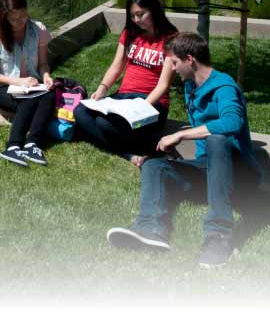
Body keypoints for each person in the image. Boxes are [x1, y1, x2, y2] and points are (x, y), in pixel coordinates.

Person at [107, 32, 261, 268]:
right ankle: (149, 228)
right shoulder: (191, 86)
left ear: (190, 59)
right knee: (153, 164)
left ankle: (218, 236)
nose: (173, 69)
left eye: (175, 63)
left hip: (238, 174)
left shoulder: (224, 87)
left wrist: (181, 134)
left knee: (217, 140)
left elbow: (232, 123)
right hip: (207, 170)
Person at [73, 0, 178, 164]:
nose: (136, 20)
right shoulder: (130, 33)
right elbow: (116, 66)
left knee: (105, 125)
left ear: (153, 9)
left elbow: (163, 85)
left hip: (152, 103)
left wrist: (141, 108)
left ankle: (114, 143)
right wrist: (102, 89)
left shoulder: (171, 39)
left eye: (141, 14)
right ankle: (129, 153)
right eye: (132, 16)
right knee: (80, 111)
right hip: (124, 98)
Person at [0, 0, 55, 167]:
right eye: (14, 19)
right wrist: (20, 82)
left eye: (23, 16)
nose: (20, 22)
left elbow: (43, 64)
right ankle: (13, 146)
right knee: (29, 102)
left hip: (32, 85)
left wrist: (46, 76)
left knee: (50, 95)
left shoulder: (38, 29)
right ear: (4, 18)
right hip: (4, 88)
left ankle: (32, 144)